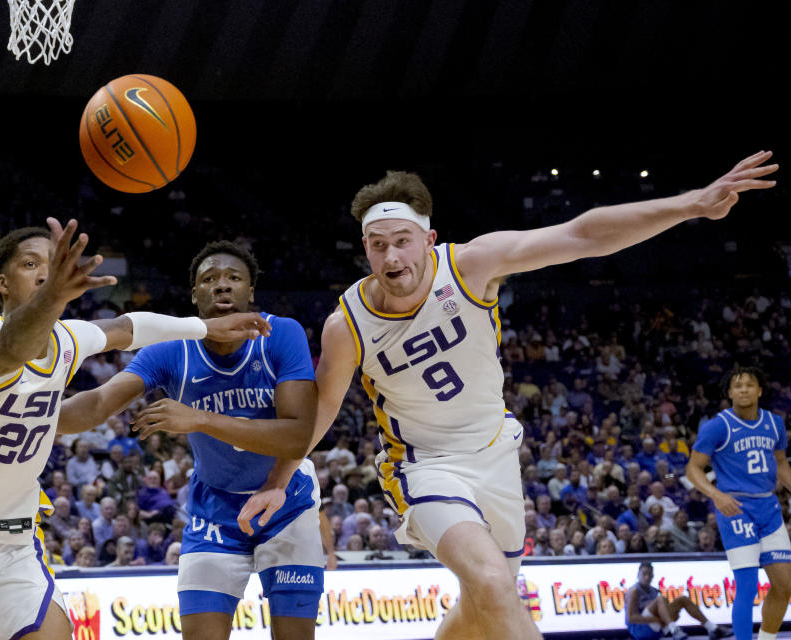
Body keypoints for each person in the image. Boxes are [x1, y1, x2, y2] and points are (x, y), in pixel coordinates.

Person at [309, 152, 777, 639]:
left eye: (402, 242)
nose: (391, 258)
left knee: (486, 598)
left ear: (428, 240)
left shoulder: (469, 265)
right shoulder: (348, 325)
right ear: (365, 247)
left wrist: (690, 205)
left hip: (495, 456)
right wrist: (278, 477)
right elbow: (322, 409)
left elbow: (581, 234)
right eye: (377, 245)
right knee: (491, 583)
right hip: (423, 465)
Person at [0, 220, 268, 640]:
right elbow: (13, 349)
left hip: (9, 541)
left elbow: (127, 328)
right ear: (2, 283)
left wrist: (205, 328)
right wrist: (52, 297)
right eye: (31, 264)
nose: (46, 272)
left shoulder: (68, 339)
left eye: (53, 263)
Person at [59, 241, 322, 640]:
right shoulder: (171, 350)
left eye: (234, 278)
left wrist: (199, 418)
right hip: (214, 508)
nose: (222, 286)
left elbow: (297, 437)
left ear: (250, 291)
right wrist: (32, 417)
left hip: (286, 500)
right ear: (194, 294)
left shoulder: (280, 334)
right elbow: (97, 402)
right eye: (209, 279)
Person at [687, 365, 791, 640]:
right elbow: (693, 469)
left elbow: (780, 464)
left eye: (749, 384)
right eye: (738, 385)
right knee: (747, 586)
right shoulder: (717, 426)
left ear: (759, 390)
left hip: (769, 508)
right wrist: (717, 495)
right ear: (730, 392)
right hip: (736, 508)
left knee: (784, 586)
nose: (743, 389)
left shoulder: (774, 423)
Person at [625, 562, 730, 640]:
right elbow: (631, 618)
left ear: (653, 575)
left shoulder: (653, 590)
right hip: (639, 630)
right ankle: (674, 630)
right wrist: (657, 619)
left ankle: (712, 628)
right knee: (661, 599)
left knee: (682, 599)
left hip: (656, 627)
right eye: (644, 574)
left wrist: (670, 615)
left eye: (650, 574)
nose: (647, 577)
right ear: (638, 574)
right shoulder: (634, 591)